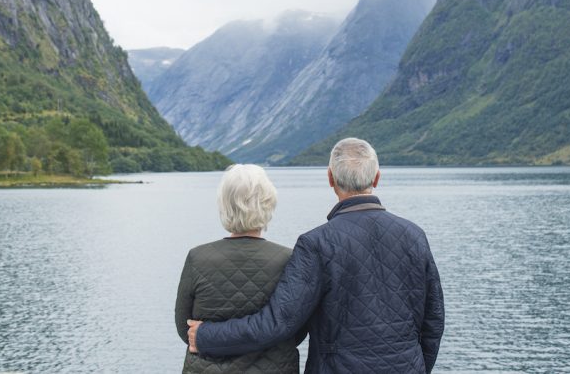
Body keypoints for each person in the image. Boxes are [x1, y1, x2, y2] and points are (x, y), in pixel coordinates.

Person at [187, 138, 445, 373]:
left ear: (330, 178)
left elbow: (279, 322)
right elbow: (433, 320)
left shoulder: (316, 244)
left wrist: (207, 336)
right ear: (376, 178)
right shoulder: (415, 236)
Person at [175, 164, 303, 373]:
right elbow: (296, 330)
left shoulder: (197, 258)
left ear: (224, 205)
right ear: (268, 203)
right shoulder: (289, 259)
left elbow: (185, 330)